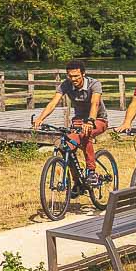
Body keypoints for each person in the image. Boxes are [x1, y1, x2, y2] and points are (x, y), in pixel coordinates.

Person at [29, 59, 107, 187]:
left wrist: (90, 120)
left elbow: (95, 103)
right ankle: (77, 183)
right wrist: (40, 118)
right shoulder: (65, 85)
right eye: (70, 76)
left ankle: (92, 172)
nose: (74, 79)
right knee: (66, 147)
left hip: (98, 119)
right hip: (78, 121)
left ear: (83, 74)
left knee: (85, 133)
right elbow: (53, 102)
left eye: (76, 76)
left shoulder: (94, 84)